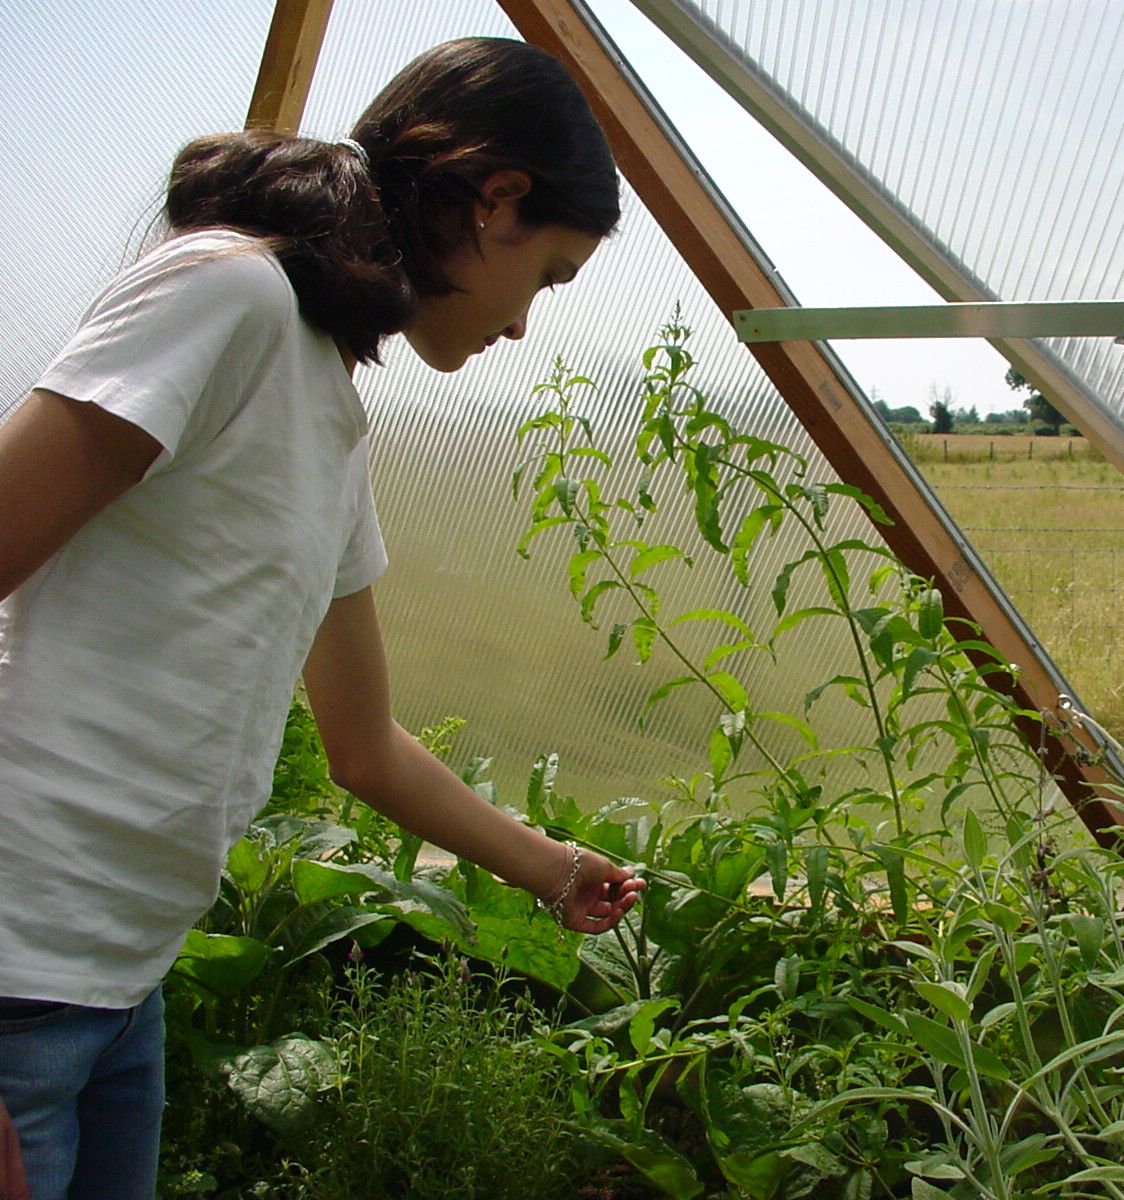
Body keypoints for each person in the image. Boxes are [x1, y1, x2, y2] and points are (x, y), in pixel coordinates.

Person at [0, 37, 644, 1200]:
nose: (523, 327)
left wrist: (552, 870)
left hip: (117, 984)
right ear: (496, 201)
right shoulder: (227, 292)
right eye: (548, 277)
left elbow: (364, 745)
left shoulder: (327, 408)